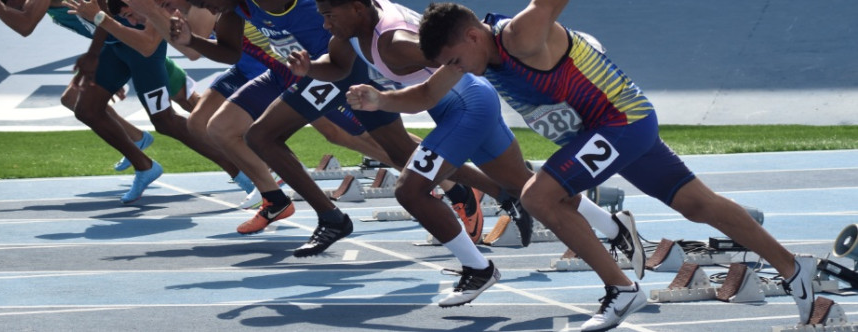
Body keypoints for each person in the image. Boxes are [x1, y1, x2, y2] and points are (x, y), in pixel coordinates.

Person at [346, 1, 817, 330]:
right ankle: (794, 269)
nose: (459, 71)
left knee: (539, 195)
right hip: (610, 130)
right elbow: (427, 94)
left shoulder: (519, 34)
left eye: (454, 59)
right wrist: (380, 98)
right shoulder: (472, 55)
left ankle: (622, 290)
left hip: (619, 122)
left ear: (472, 36)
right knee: (697, 204)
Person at [277, 0, 645, 306]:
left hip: (465, 107)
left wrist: (383, 100)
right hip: (466, 104)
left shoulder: (395, 42)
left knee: (411, 190)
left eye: (329, 15)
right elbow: (339, 65)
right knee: (522, 184)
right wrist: (311, 68)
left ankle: (478, 268)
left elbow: (439, 81)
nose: (324, 25)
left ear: (357, 8)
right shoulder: (356, 28)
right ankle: (614, 228)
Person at [165, 0, 412, 236]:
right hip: (282, 69)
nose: (207, 8)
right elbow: (228, 51)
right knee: (224, 128)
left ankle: (441, 184)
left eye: (203, 2)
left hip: (324, 69)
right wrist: (191, 40)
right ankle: (279, 200)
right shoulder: (234, 9)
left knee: (362, 136)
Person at [0, 0, 200, 172]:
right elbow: (97, 22)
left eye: (8, 2)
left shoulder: (33, 7)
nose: (13, 7)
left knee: (182, 104)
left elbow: (24, 25)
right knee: (74, 99)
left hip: (135, 44)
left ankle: (228, 142)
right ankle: (137, 137)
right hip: (116, 46)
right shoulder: (32, 6)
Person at [64, 0, 244, 203]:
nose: (133, 20)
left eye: (132, 15)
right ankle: (144, 166)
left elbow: (148, 45)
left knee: (165, 120)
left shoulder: (148, 7)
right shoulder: (121, 12)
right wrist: (94, 53)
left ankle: (238, 168)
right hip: (115, 47)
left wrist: (99, 19)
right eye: (128, 17)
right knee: (86, 109)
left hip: (142, 52)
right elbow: (104, 14)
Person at [117, 0, 274, 207]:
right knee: (198, 124)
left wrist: (152, 12)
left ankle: (272, 179)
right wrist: (154, 13)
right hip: (242, 68)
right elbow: (179, 41)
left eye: (165, 4)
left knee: (329, 131)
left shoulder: (202, 7)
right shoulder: (176, 9)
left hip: (264, 67)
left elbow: (192, 52)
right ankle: (265, 180)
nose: (167, 9)